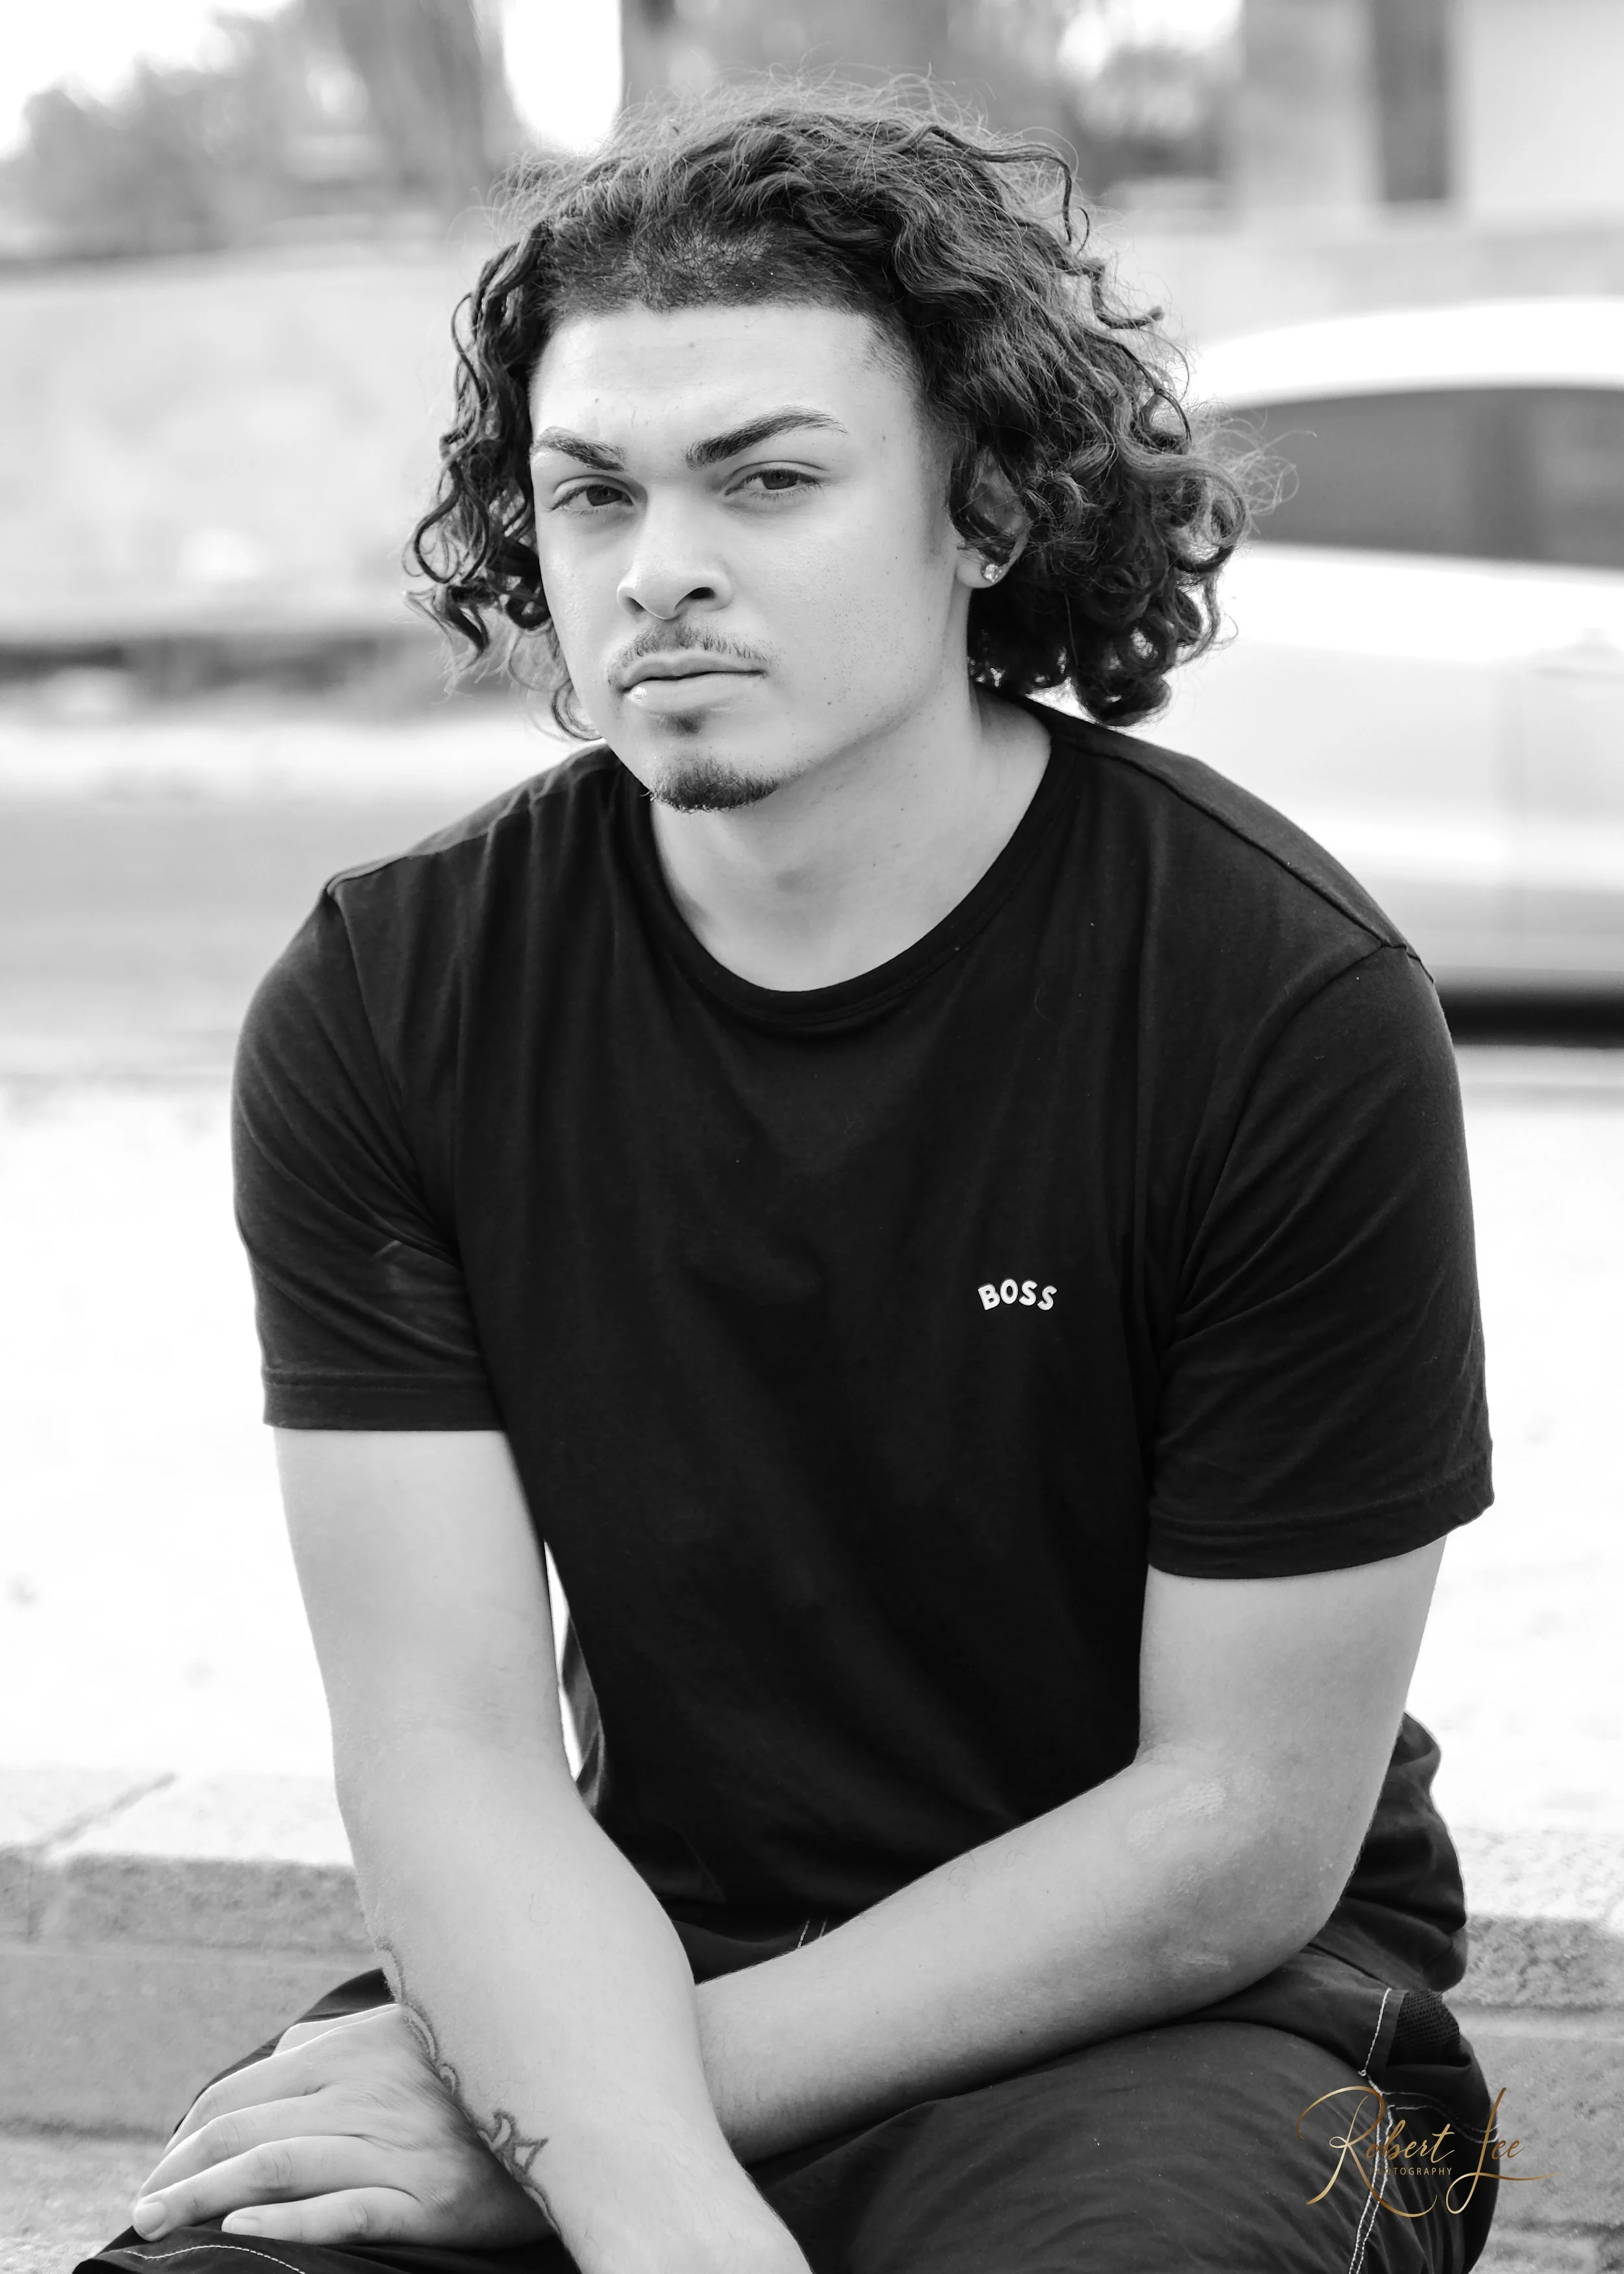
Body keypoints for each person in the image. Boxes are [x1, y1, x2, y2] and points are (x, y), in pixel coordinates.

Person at [90, 84, 1501, 2274]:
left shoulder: (1271, 999)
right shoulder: (390, 997)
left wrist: (601, 2140)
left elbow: (1233, 1826)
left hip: (1199, 2030)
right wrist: (623, 2150)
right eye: (591, 491)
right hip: (621, 1966)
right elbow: (449, 1752)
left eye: (764, 476)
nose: (659, 565)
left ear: (981, 511)